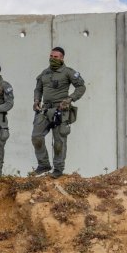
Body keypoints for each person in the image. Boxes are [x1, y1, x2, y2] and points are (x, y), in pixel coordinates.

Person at [32, 47, 86, 178]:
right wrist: (36, 100)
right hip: (44, 110)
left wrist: (69, 99)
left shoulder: (68, 72)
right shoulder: (44, 73)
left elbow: (81, 87)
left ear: (62, 58)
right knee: (36, 137)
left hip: (60, 110)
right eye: (51, 56)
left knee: (59, 142)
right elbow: (38, 88)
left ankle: (58, 168)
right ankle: (43, 164)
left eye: (55, 57)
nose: (52, 59)